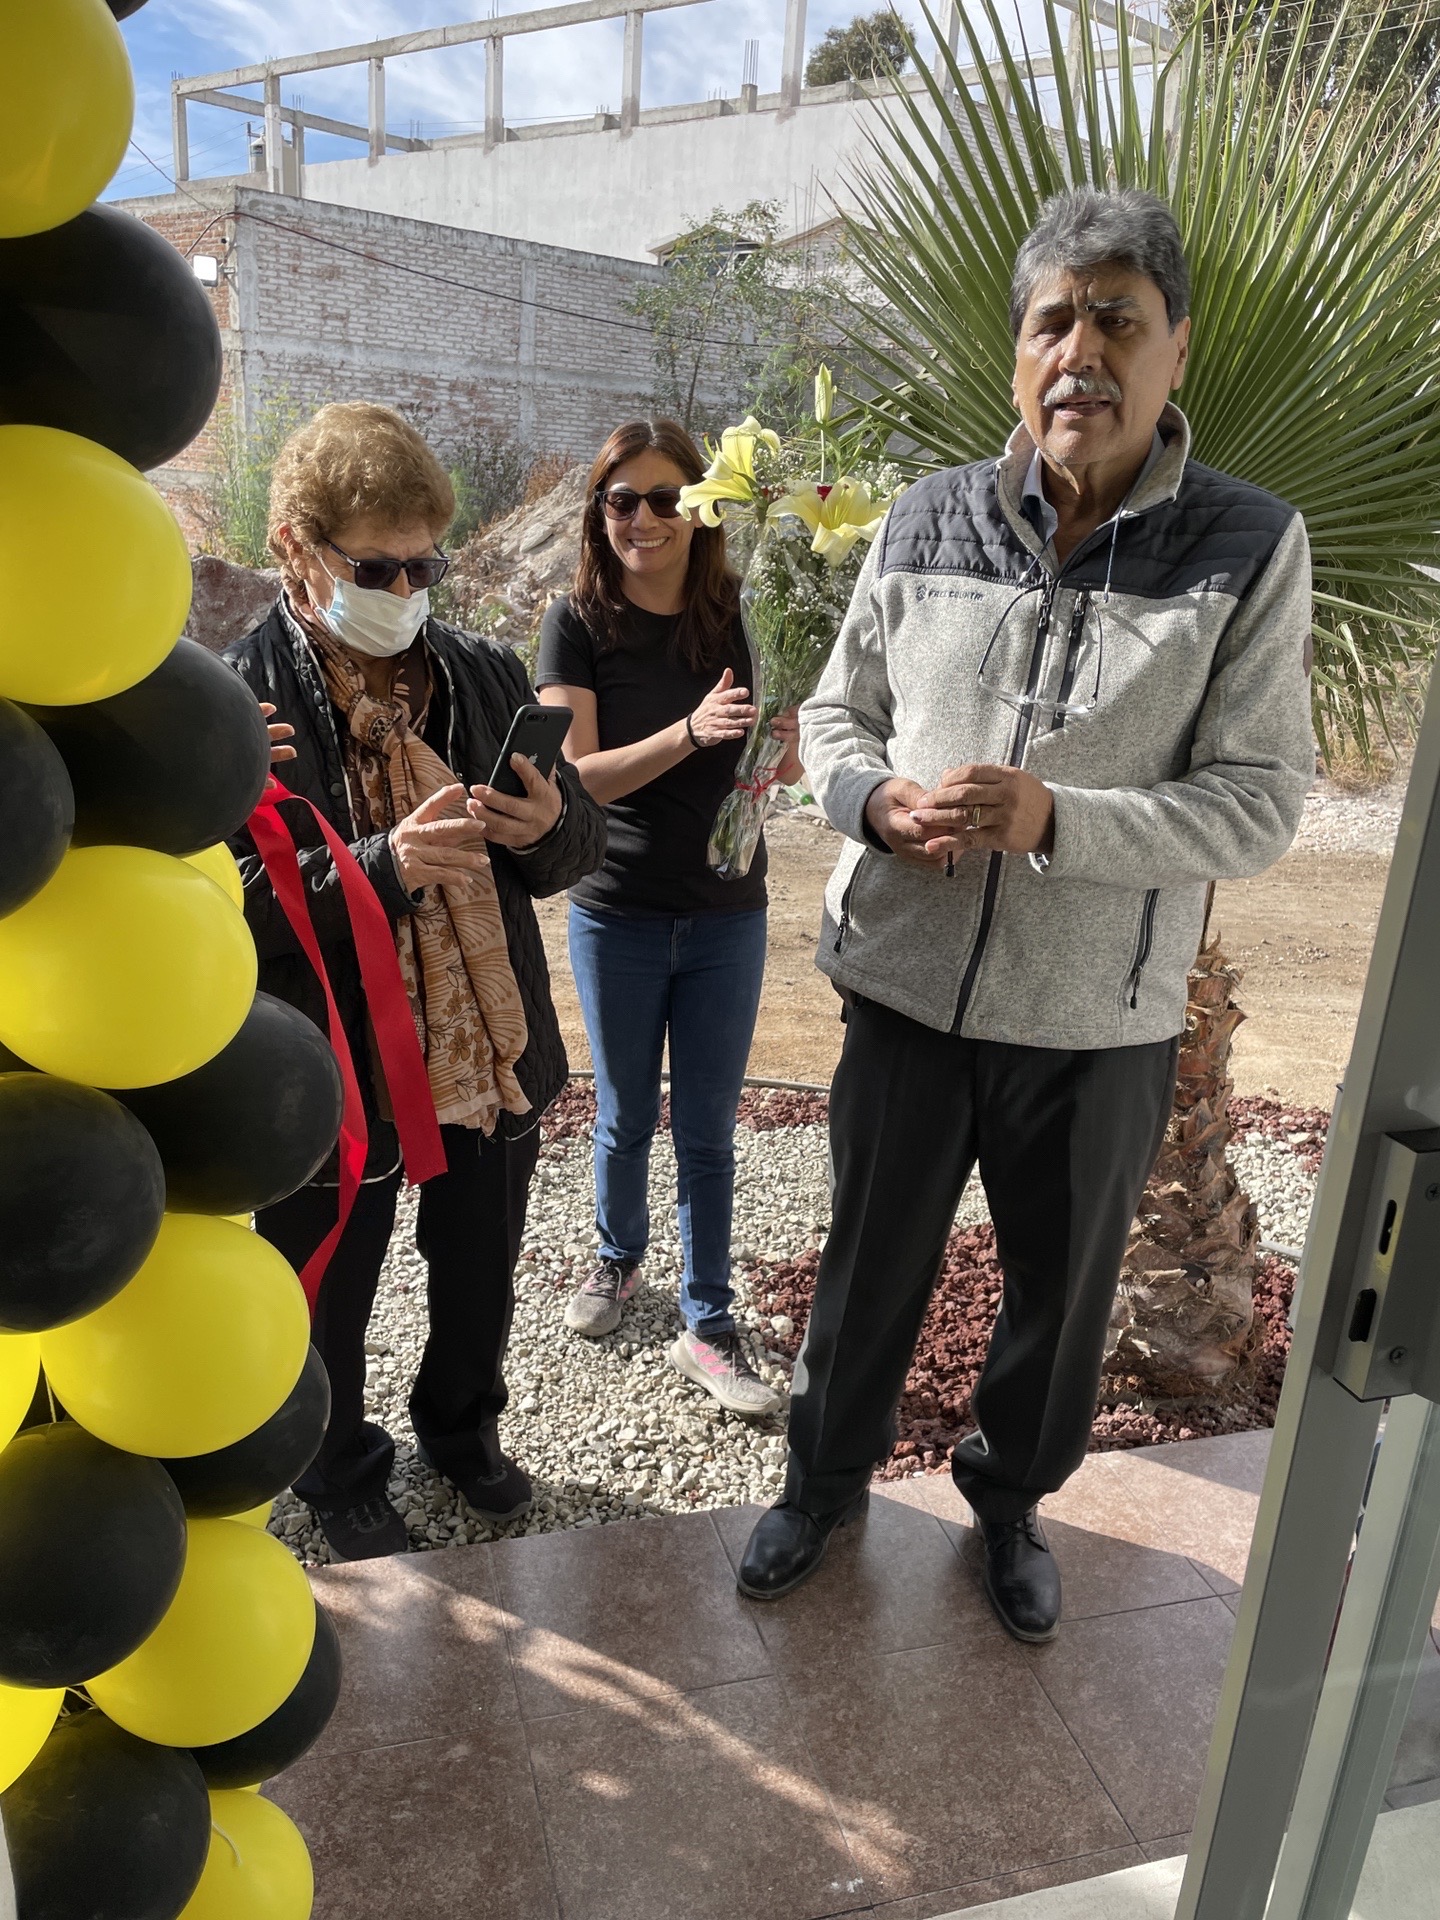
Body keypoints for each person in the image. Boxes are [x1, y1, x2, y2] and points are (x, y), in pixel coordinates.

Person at [737, 188, 1315, 1639]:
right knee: (868, 1264)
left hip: (1097, 1019)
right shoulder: (931, 516)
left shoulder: (1250, 545)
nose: (1082, 352)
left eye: (1117, 319)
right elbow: (838, 710)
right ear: (1019, 353)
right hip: (908, 988)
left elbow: (1258, 801)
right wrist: (868, 800)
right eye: (1054, 319)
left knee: (1058, 1315)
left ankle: (1007, 1508)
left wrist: (1066, 822)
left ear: (1175, 348)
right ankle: (823, 1483)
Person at [225, 402, 606, 1560]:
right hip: (326, 1062)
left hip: (484, 1046)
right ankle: (334, 1469)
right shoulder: (237, 703)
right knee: (330, 1276)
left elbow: (573, 850)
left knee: (482, 1254)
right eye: (375, 564)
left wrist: (551, 824)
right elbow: (223, 909)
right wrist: (382, 870)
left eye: (423, 560)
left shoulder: (479, 673)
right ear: (297, 543)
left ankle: (463, 1428)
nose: (405, 584)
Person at [536, 419, 800, 1416]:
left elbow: (784, 767)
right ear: (599, 512)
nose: (641, 518)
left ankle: (709, 1320)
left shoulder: (745, 616)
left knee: (706, 1130)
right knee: (623, 1113)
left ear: (703, 510)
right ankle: (616, 1259)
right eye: (620, 500)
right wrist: (689, 733)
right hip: (618, 909)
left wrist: (778, 751)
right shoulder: (578, 621)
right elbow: (577, 777)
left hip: (729, 910)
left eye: (663, 499)